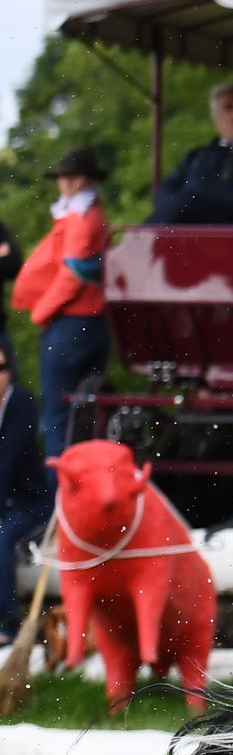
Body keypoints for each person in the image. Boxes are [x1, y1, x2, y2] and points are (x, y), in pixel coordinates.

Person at [14, 146, 109, 456]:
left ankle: (62, 498)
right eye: (64, 177)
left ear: (88, 179)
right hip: (90, 323)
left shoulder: (82, 217)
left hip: (70, 323)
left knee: (58, 418)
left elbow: (74, 272)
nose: (67, 183)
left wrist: (41, 312)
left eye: (74, 176)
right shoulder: (90, 213)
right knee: (84, 416)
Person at [150, 84, 233, 225]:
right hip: (195, 237)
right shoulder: (196, 157)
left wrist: (201, 200)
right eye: (228, 108)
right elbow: (164, 196)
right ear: (215, 117)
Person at [0, 346, 51, 640]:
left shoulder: (20, 403)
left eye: (2, 368)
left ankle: (7, 623)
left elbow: (6, 464)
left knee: (2, 539)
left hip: (27, 503)